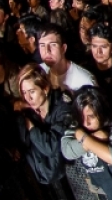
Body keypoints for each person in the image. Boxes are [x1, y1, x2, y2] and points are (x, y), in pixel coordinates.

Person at [15, 63, 74, 192]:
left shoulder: (63, 108)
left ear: (45, 88)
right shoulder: (29, 113)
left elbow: (51, 146)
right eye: (24, 93)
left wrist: (31, 127)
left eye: (32, 91)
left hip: (70, 179)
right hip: (43, 180)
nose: (28, 98)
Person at [62, 87, 112, 200]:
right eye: (82, 117)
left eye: (91, 117)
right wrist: (91, 137)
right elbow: (67, 151)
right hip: (102, 192)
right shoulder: (77, 125)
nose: (86, 122)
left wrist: (83, 138)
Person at [37, 23, 97, 92]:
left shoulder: (85, 81)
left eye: (53, 45)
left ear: (63, 48)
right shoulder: (38, 72)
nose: (47, 51)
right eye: (42, 45)